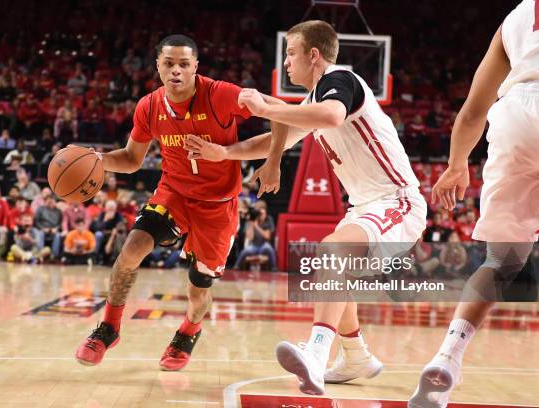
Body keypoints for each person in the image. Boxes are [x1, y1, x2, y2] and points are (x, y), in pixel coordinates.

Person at [185, 20, 427, 395]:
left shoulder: (340, 81)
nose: (285, 63)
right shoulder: (316, 101)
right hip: (366, 205)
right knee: (333, 267)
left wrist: (267, 106)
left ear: (314, 55)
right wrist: (227, 152)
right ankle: (356, 355)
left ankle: (316, 353)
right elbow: (274, 141)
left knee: (332, 253)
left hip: (398, 200)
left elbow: (329, 117)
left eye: (291, 53)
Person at [74, 34, 279, 372]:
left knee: (198, 290)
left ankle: (187, 332)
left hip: (218, 203)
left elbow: (282, 114)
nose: (176, 71)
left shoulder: (219, 94)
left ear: (196, 67)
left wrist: (273, 161)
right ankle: (109, 328)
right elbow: (130, 158)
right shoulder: (149, 106)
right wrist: (97, 159)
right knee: (131, 250)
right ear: (157, 67)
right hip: (174, 194)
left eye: (184, 64)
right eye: (169, 64)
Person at [409, 1, 539, 406]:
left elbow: (472, 112)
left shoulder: (517, 15)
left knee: (501, 261)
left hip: (515, 115)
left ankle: (449, 355)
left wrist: (455, 166)